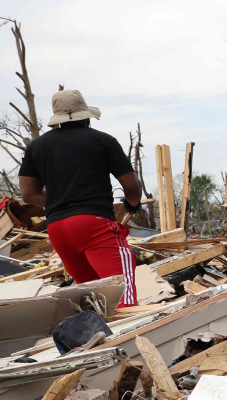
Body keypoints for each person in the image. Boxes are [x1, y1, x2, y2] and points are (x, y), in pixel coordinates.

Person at [18, 88, 140, 307]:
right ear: (86, 117)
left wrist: (61, 199)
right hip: (94, 225)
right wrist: (132, 204)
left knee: (96, 301)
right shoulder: (103, 140)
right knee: (122, 296)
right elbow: (131, 186)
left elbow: (28, 194)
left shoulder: (37, 147)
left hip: (58, 229)